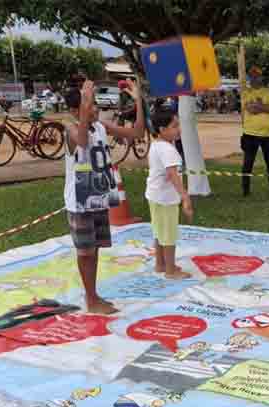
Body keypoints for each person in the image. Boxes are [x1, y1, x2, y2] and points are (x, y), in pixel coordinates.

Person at [63, 79, 145, 315]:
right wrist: (85, 101)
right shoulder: (69, 126)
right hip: (79, 200)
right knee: (85, 252)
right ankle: (91, 299)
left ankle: (93, 295)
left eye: (96, 104)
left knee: (95, 249)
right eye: (90, 105)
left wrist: (138, 99)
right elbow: (82, 142)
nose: (96, 109)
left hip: (98, 195)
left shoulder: (100, 126)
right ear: (74, 110)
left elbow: (137, 132)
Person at [146, 110, 194, 279]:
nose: (178, 129)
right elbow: (173, 175)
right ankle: (170, 270)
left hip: (155, 195)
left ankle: (160, 264)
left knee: (159, 232)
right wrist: (185, 197)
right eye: (174, 126)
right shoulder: (167, 149)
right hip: (165, 199)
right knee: (168, 234)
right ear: (161, 129)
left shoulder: (157, 144)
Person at [240, 66, 269, 197]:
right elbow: (250, 109)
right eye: (252, 76)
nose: (255, 78)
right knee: (248, 163)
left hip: (268, 134)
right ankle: (245, 189)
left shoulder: (268, 92)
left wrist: (258, 106)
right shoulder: (246, 92)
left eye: (257, 76)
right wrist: (264, 107)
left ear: (261, 77)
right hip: (250, 134)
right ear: (249, 78)